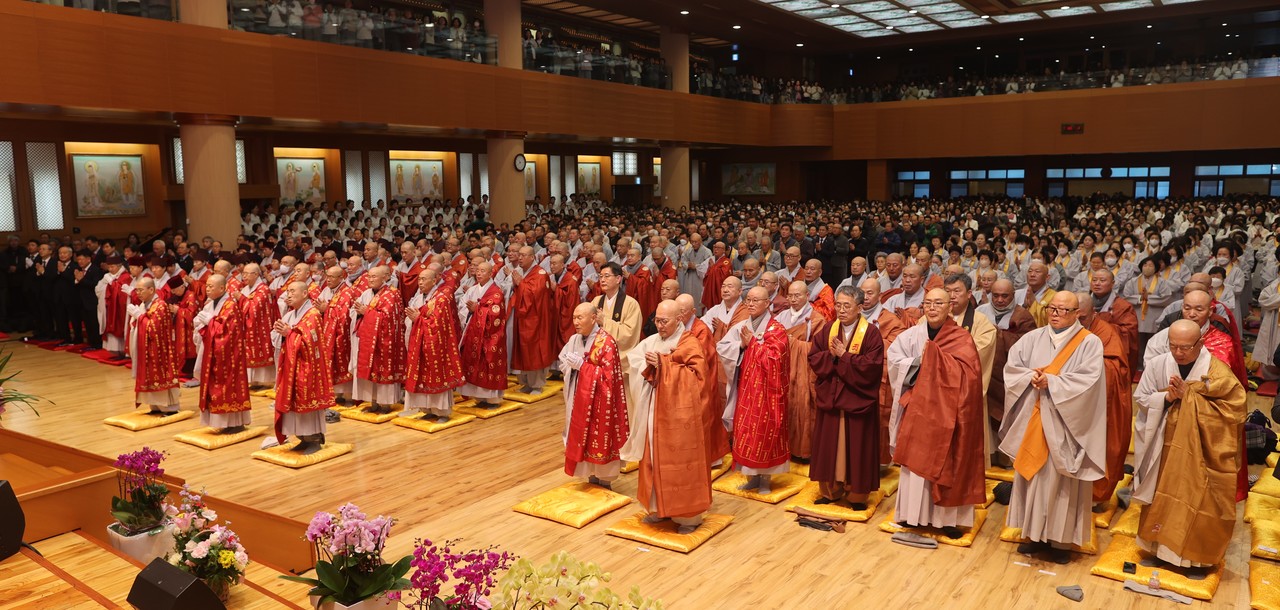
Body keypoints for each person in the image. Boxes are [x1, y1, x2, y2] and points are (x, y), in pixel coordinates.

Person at [1001, 291, 1107, 564]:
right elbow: (1013, 369)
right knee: (1033, 476)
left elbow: (1089, 381)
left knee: (1061, 483)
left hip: (1066, 423)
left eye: (1063, 310)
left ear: (1077, 313)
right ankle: (1033, 535)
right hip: (1035, 416)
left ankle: (1060, 543)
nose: (1056, 314)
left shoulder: (1089, 343)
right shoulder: (1033, 338)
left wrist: (1054, 382)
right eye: (1052, 309)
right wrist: (1031, 376)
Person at [1132, 319, 1246, 570]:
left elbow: (1234, 412)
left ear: (1201, 343)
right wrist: (1166, 397)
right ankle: (1158, 550)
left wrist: (1190, 397)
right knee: (1161, 496)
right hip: (1164, 445)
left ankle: (1197, 561)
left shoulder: (1218, 372)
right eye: (1173, 346)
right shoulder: (1158, 364)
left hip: (1201, 451)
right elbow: (1141, 398)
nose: (1178, 352)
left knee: (1200, 500)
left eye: (1185, 347)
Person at [886, 288, 985, 541]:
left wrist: (933, 359)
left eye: (938, 303)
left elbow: (970, 376)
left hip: (948, 413)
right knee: (916, 461)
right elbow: (894, 359)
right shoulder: (913, 334)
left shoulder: (961, 338)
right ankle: (912, 515)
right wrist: (919, 363)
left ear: (950, 306)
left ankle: (947, 520)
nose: (932, 308)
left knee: (947, 464)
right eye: (928, 303)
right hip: (919, 411)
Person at [623, 300, 712, 534]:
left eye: (664, 321)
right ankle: (658, 508)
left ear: (679, 319)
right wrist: (650, 365)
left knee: (680, 464)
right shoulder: (652, 341)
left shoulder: (689, 343)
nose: (660, 326)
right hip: (653, 409)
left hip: (680, 417)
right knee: (652, 457)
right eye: (657, 321)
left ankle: (687, 517)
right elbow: (635, 360)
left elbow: (698, 377)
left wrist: (663, 365)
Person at [808, 286, 885, 508]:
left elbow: (872, 367)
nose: (841, 310)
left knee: (858, 447)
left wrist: (844, 356)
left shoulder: (871, 333)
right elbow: (814, 357)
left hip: (857, 398)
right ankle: (830, 491)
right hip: (832, 398)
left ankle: (857, 496)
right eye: (838, 305)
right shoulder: (829, 329)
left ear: (860, 308)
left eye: (847, 306)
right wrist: (832, 357)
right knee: (829, 445)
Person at [718, 286, 790, 494]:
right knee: (747, 432)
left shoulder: (776, 329)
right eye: (748, 300)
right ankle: (751, 477)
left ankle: (765, 480)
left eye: (756, 300)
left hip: (768, 392)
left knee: (766, 434)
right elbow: (722, 347)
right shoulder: (741, 326)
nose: (750, 304)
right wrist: (741, 345)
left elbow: (776, 359)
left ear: (767, 303)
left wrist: (753, 344)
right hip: (746, 389)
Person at [558, 302, 630, 488]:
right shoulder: (574, 339)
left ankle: (605, 481)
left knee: (599, 437)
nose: (576, 322)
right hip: (578, 399)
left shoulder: (606, 343)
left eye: (580, 318)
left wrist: (583, 367)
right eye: (574, 318)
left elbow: (608, 378)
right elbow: (563, 360)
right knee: (581, 437)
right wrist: (570, 366)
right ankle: (590, 476)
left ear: (593, 318)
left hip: (600, 402)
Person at [1075, 293, 1133, 509]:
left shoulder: (1105, 333)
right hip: (1069, 403)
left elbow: (1116, 369)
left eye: (1082, 318)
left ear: (1094, 314)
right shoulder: (1061, 330)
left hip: (1098, 405)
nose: (1076, 322)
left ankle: (1093, 498)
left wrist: (1083, 368)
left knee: (1100, 449)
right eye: (1072, 315)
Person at [976, 278, 1037, 466]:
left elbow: (1027, 346)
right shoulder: (980, 312)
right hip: (983, 372)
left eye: (1005, 296)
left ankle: (1005, 458)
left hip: (1007, 376)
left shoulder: (1023, 316)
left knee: (1005, 415)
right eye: (995, 296)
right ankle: (985, 455)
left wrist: (999, 335)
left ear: (1013, 296)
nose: (1000, 300)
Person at [273, 280, 334, 454]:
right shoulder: (291, 314)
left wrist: (289, 333)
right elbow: (281, 337)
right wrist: (281, 333)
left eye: (293, 291)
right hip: (290, 365)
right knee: (292, 404)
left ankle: (314, 439)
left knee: (306, 402)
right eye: (288, 291)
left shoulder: (313, 314)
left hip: (307, 366)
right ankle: (302, 438)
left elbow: (310, 342)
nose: (289, 294)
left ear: (305, 293)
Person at [402, 267, 464, 422]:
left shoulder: (441, 298)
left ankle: (442, 412)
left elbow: (438, 324)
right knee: (422, 375)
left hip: (437, 345)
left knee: (437, 375)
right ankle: (427, 409)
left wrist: (418, 319)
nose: (420, 282)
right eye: (419, 279)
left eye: (424, 279)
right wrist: (415, 319)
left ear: (434, 280)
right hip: (420, 342)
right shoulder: (419, 297)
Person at [193, 274, 251, 433]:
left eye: (211, 286)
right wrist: (203, 323)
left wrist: (211, 322)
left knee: (228, 387)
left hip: (229, 356)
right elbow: (201, 324)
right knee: (212, 385)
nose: (207, 289)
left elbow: (229, 333)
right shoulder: (209, 304)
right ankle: (220, 422)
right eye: (207, 286)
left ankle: (235, 423)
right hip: (211, 352)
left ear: (222, 288)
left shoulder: (231, 306)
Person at [675, 293, 728, 467]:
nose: (678, 315)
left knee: (706, 418)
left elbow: (699, 356)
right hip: (682, 379)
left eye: (682, 311)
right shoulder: (677, 324)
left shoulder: (701, 330)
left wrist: (675, 353)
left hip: (702, 379)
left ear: (693, 311)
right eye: (676, 311)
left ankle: (710, 458)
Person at [776, 280, 825, 462]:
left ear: (807, 296)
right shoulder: (781, 316)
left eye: (797, 295)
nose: (793, 299)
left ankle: (801, 450)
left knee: (802, 407)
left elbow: (820, 349)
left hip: (805, 371)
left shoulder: (817, 319)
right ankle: (782, 448)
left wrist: (795, 344)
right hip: (782, 369)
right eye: (790, 295)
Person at [860, 277, 905, 467]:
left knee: (876, 421)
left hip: (877, 379)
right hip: (852, 376)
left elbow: (896, 349)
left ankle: (875, 462)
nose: (865, 297)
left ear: (880, 296)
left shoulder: (891, 320)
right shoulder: (851, 315)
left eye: (870, 293)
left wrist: (866, 343)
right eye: (862, 293)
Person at [351, 266, 406, 414]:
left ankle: (385, 404)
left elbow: (388, 318)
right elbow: (354, 311)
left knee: (383, 371)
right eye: (369, 276)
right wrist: (358, 312)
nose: (370, 279)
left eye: (374, 276)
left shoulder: (391, 295)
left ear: (385, 278)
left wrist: (366, 311)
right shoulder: (366, 293)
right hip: (367, 339)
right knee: (370, 371)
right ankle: (373, 402)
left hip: (385, 340)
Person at [127, 277, 181, 415]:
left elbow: (153, 329)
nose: (138, 293)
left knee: (160, 375)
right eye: (136, 290)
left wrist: (139, 317)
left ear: (151, 290)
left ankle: (170, 408)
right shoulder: (143, 304)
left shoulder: (160, 306)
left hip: (159, 349)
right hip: (145, 347)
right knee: (149, 375)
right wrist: (137, 318)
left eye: (141, 290)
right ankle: (155, 406)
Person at [457, 261, 508, 408]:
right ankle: (479, 398)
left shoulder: (496, 292)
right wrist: (471, 310)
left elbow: (495, 314)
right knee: (473, 363)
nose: (479, 273)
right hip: (472, 332)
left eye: (483, 271)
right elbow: (462, 306)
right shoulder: (472, 289)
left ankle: (492, 399)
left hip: (491, 336)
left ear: (490, 273)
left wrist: (477, 309)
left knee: (489, 363)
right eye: (478, 270)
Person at [509, 246, 558, 394]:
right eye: (519, 255)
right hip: (523, 319)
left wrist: (521, 284)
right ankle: (526, 383)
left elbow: (535, 294)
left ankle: (537, 384)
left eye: (524, 255)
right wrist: (517, 285)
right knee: (523, 351)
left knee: (535, 351)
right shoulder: (523, 272)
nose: (520, 258)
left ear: (532, 257)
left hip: (536, 320)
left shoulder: (540, 274)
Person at [317, 265, 359, 406]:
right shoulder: (326, 290)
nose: (328, 280)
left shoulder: (347, 293)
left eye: (332, 277)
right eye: (327, 276)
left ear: (341, 277)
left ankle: (348, 396)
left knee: (342, 362)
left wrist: (327, 309)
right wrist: (321, 310)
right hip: (328, 332)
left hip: (343, 335)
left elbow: (344, 317)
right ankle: (337, 395)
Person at [591, 262, 643, 366]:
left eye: (606, 276)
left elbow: (630, 335)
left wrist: (604, 322)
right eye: (600, 276)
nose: (602, 280)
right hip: (597, 358)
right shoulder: (596, 301)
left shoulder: (631, 304)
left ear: (618, 279)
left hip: (620, 361)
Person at [1091, 268, 1140, 370]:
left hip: (1110, 353)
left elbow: (1129, 333)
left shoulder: (1122, 306)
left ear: (1112, 283)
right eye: (1094, 280)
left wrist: (1100, 323)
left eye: (1102, 280)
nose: (1097, 283)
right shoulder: (1083, 303)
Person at [240, 263, 278, 388]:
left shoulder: (263, 289)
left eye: (247, 273)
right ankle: (253, 381)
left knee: (261, 351)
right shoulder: (245, 289)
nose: (244, 276)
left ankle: (264, 381)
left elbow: (254, 309)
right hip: (247, 327)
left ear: (256, 274)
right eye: (243, 273)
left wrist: (240, 299)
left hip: (261, 326)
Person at [96, 254, 132, 357]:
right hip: (109, 307)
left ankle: (123, 351)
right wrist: (109, 284)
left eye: (113, 267)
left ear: (119, 266)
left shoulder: (125, 276)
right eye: (109, 267)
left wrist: (112, 283)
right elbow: (98, 289)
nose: (110, 269)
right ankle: (115, 351)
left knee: (119, 327)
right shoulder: (107, 276)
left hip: (119, 308)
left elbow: (122, 292)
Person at [1014, 260, 1056, 327]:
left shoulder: (1054, 296)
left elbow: (1051, 320)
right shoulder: (1017, 294)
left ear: (1047, 277)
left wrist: (1033, 304)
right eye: (1030, 271)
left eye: (1037, 272)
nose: (1032, 275)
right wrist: (1023, 306)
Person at [701, 241, 733, 312]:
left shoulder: (726, 261)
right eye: (715, 247)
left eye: (718, 248)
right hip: (710, 288)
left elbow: (724, 275)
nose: (716, 249)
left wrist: (713, 267)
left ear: (723, 250)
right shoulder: (712, 260)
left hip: (718, 290)